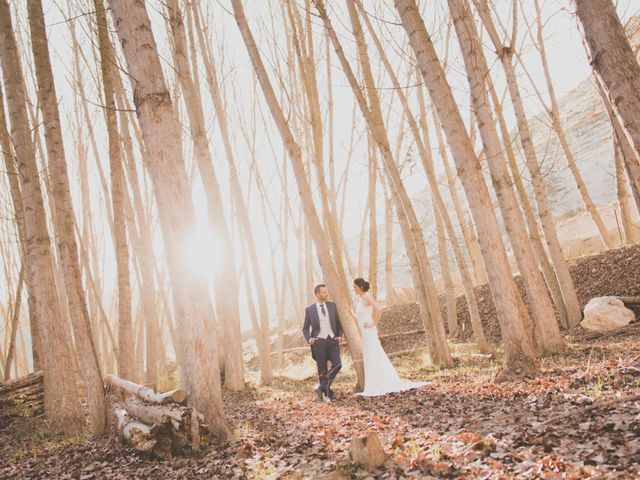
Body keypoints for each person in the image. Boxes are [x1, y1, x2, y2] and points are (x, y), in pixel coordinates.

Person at [353, 277, 427, 396]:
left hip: (369, 331)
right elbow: (360, 316)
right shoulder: (360, 299)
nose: (354, 289)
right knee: (370, 355)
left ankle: (378, 383)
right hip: (364, 332)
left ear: (361, 287)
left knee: (373, 354)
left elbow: (379, 309)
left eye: (355, 287)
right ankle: (375, 380)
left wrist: (373, 323)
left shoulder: (366, 297)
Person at [302, 284, 343, 401]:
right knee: (322, 369)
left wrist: (340, 335)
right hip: (318, 342)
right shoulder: (309, 309)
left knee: (337, 364)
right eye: (324, 292)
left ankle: (321, 386)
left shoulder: (332, 306)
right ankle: (327, 394)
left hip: (332, 340)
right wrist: (309, 339)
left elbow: (338, 323)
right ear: (317, 294)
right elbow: (304, 328)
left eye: (326, 291)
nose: (327, 294)